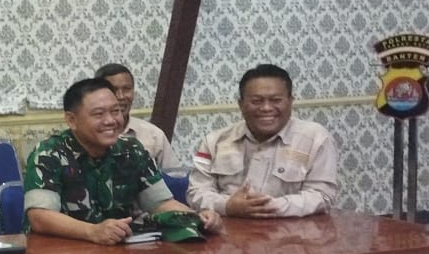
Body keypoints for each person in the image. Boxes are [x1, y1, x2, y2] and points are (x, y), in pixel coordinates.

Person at [24, 78, 222, 244]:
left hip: (119, 251)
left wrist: (197, 217)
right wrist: (92, 231)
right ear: (72, 120)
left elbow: (161, 203)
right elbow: (39, 217)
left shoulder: (131, 150)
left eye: (116, 111)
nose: (111, 121)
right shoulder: (49, 153)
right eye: (99, 114)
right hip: (62, 253)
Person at [187, 64, 339, 218]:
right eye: (256, 101)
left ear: (290, 101)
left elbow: (322, 195)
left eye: (276, 100)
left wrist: (272, 206)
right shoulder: (214, 142)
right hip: (227, 228)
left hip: (292, 231)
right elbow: (196, 192)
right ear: (241, 104)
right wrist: (227, 206)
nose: (266, 108)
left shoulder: (316, 139)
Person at [94, 64, 178, 170]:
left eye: (126, 89)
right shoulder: (88, 134)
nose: (121, 96)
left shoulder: (153, 135)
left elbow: (175, 175)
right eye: (113, 90)